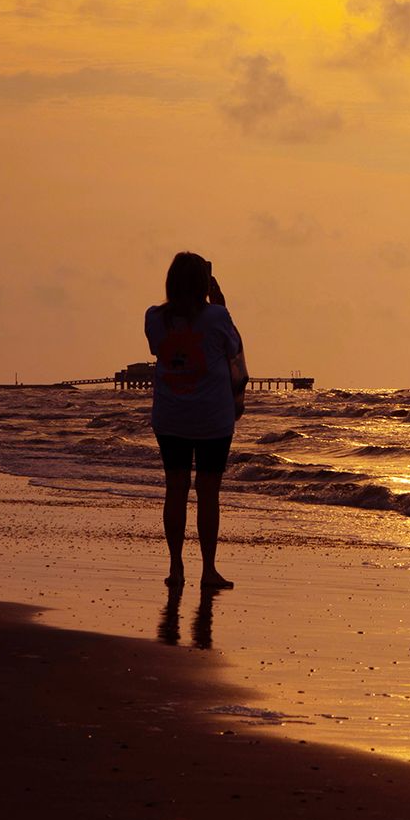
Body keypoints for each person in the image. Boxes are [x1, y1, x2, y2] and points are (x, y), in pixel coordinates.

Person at [146, 252, 247, 591]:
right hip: (212, 419)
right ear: (204, 284)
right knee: (208, 493)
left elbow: (158, 348)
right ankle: (208, 569)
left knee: (174, 489)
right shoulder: (217, 317)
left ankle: (176, 568)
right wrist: (219, 303)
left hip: (171, 415)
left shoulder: (154, 318)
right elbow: (234, 349)